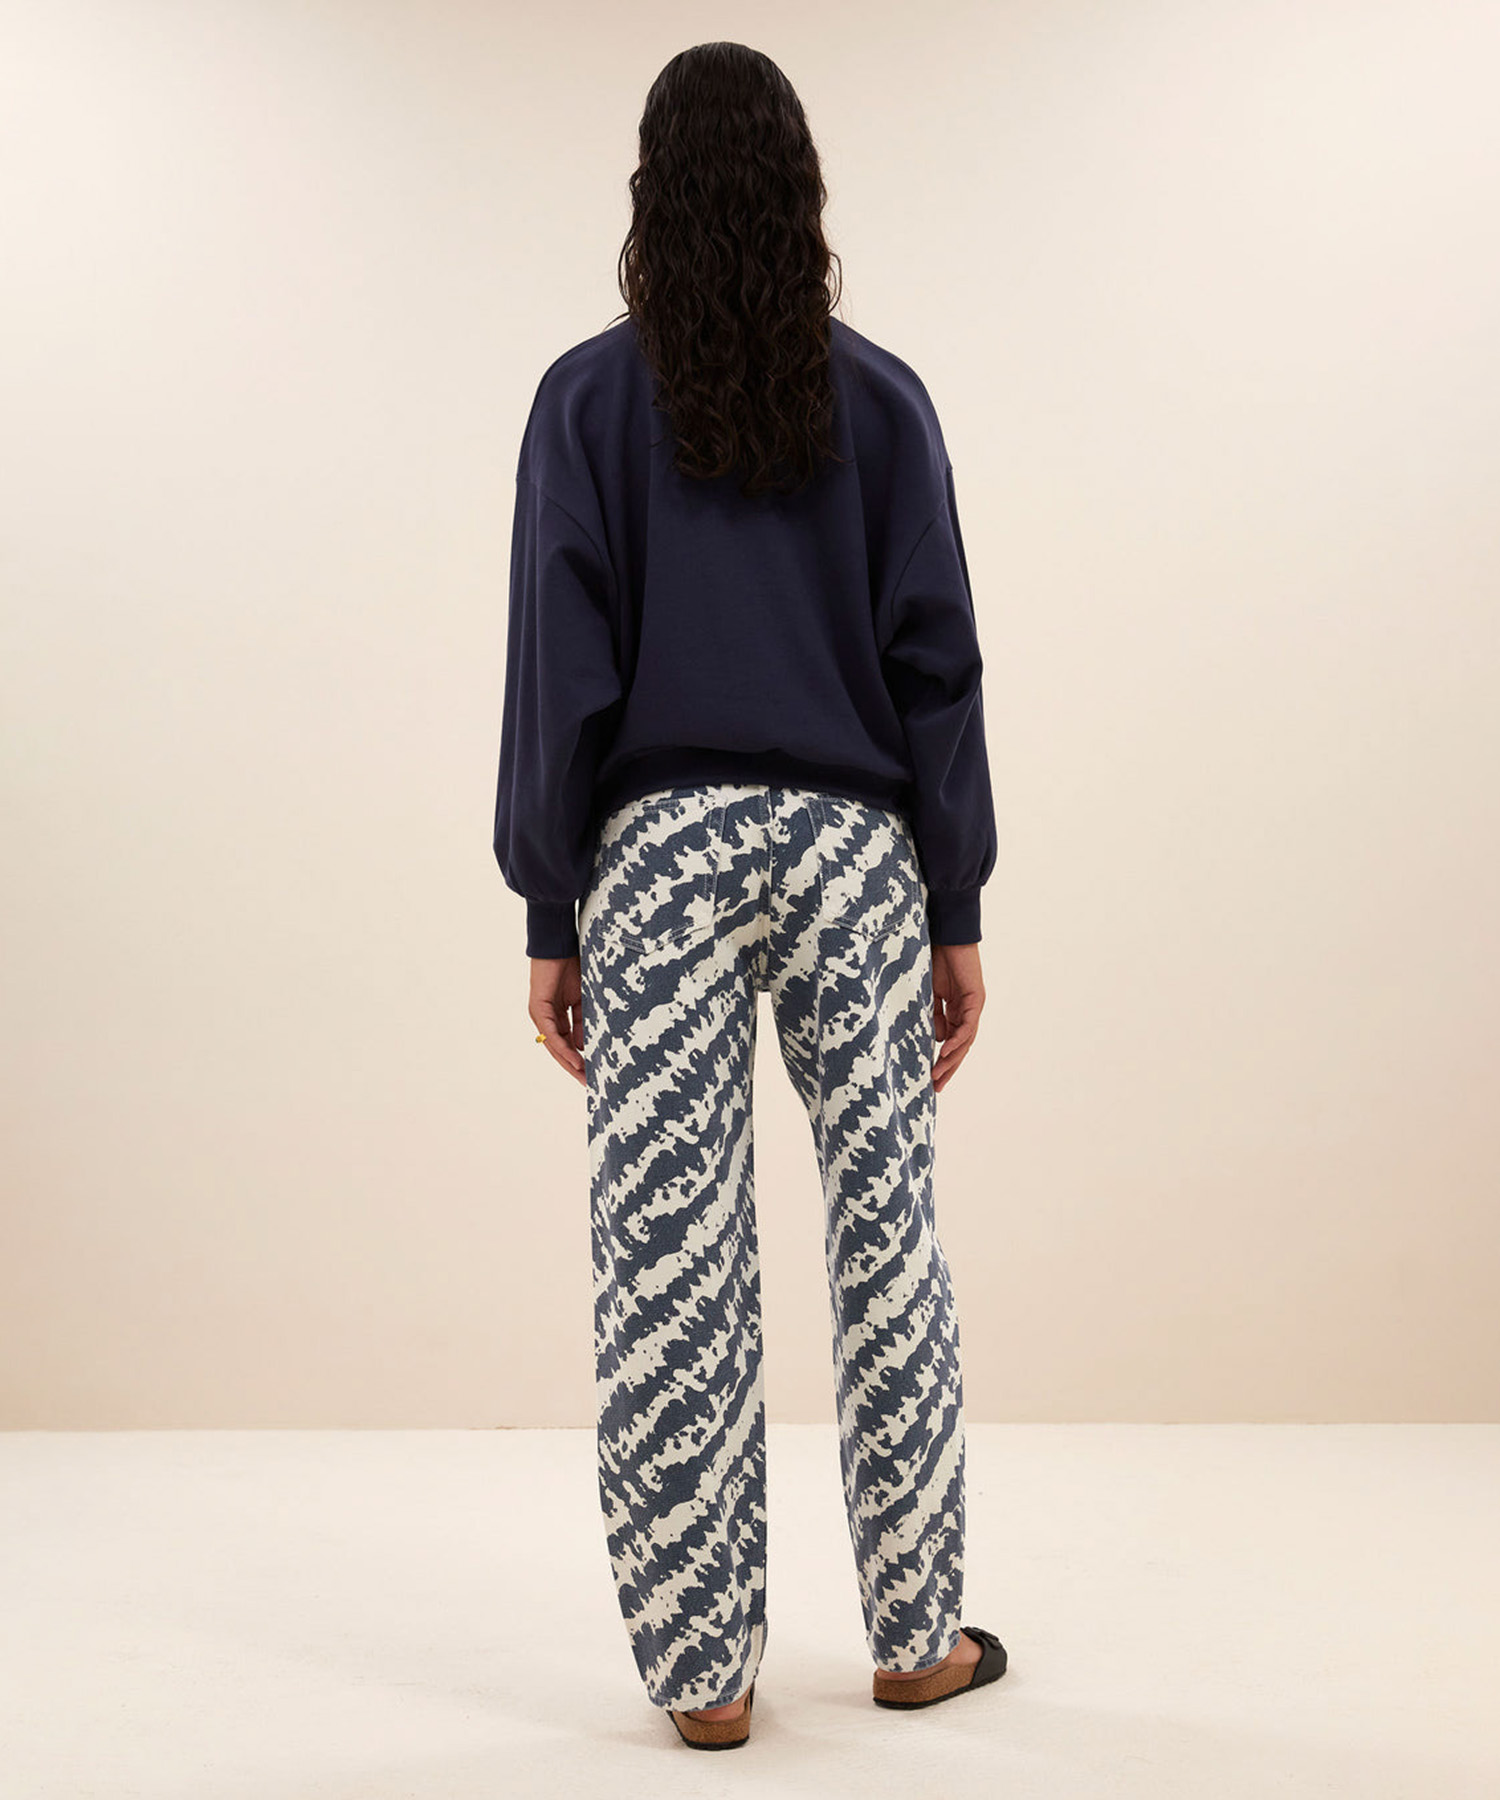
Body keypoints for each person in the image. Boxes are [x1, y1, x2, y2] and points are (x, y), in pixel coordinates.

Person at [492, 41, 1007, 1750]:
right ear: (803, 188)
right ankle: (918, 1634)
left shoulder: (584, 400)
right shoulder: (882, 400)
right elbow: (939, 666)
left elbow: (559, 668)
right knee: (889, 1236)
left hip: (660, 857)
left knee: (670, 1264)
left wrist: (553, 908)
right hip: (859, 854)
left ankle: (705, 1672)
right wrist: (954, 904)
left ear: (651, 191)